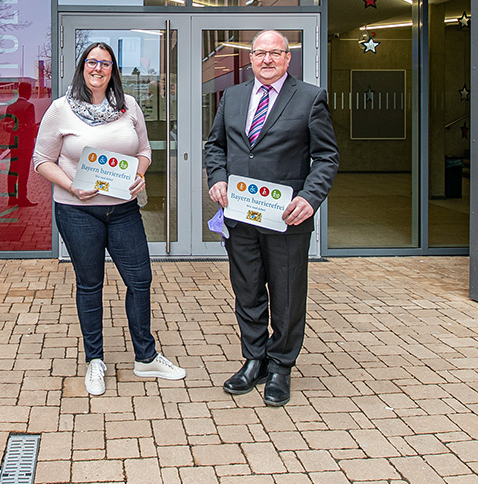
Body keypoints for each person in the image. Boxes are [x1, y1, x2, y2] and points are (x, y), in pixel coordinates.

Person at [33, 42, 185, 396]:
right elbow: (41, 161)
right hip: (77, 210)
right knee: (90, 284)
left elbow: (144, 150)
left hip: (123, 209)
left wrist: (140, 173)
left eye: (105, 63)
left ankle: (146, 358)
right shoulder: (60, 110)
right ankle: (95, 361)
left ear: (113, 69)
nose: (98, 68)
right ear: (82, 66)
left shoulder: (128, 106)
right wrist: (72, 186)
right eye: (92, 62)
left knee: (140, 280)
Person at [204, 30, 338, 406]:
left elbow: (326, 157)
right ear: (249, 58)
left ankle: (281, 366)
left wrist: (310, 198)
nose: (266, 60)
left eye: (274, 54)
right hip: (241, 216)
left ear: (287, 58)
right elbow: (215, 146)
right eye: (259, 53)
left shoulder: (310, 98)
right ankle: (255, 359)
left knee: (287, 293)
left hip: (286, 219)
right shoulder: (232, 97)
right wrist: (216, 180)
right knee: (247, 290)